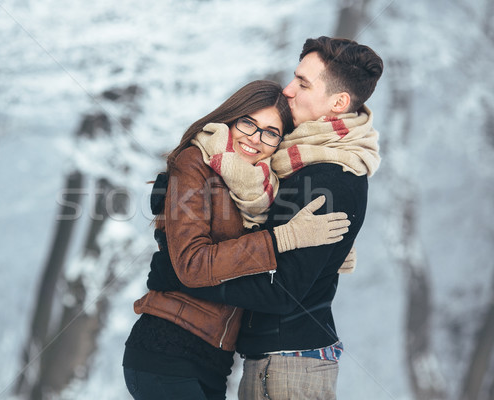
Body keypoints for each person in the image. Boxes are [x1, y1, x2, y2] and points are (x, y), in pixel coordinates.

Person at [147, 36, 384, 400]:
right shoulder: (291, 164)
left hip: (290, 361)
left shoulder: (330, 174)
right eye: (294, 77)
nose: (288, 90)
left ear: (338, 102)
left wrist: (183, 277)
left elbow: (283, 291)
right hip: (270, 360)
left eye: (303, 83)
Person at [122, 80, 352, 400]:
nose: (255, 139)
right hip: (166, 352)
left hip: (215, 362)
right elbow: (193, 264)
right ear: (231, 118)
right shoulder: (195, 164)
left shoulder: (260, 190)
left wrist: (325, 253)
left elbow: (255, 266)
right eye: (248, 123)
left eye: (271, 132)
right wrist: (284, 238)